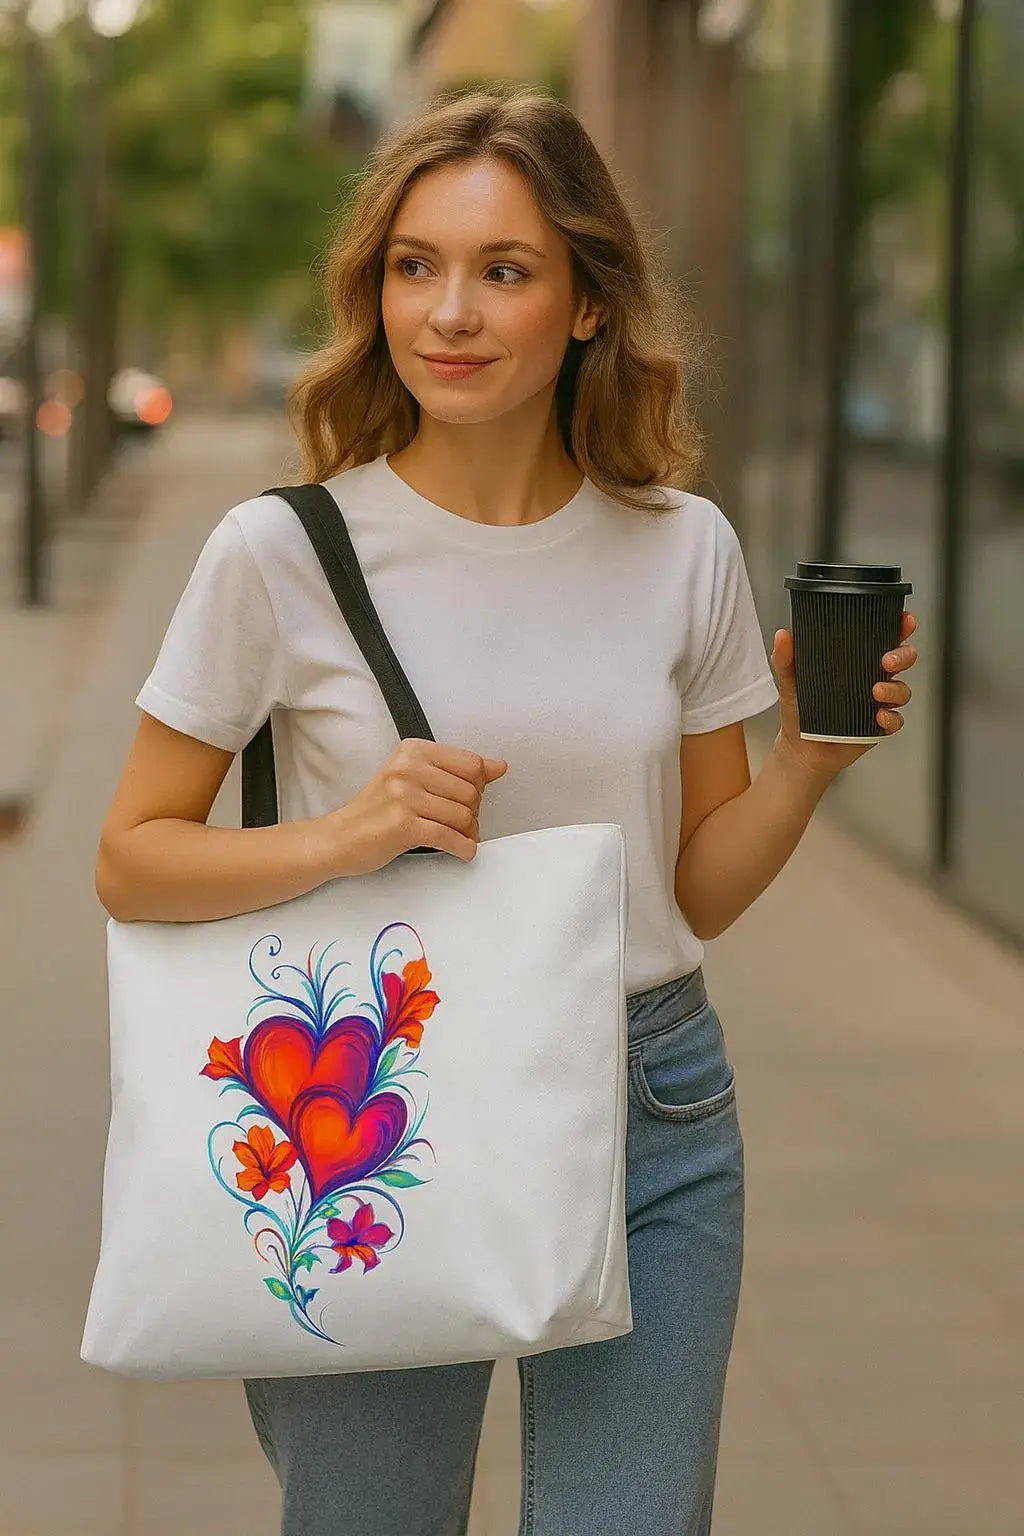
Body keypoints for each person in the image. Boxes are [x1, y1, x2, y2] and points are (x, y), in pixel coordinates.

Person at [95, 83, 917, 1536]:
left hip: (648, 1103)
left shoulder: (683, 549)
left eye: (504, 270)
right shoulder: (279, 554)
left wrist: (804, 763)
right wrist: (349, 834)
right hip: (372, 1100)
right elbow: (131, 860)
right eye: (416, 266)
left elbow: (696, 887)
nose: (450, 313)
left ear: (590, 305)